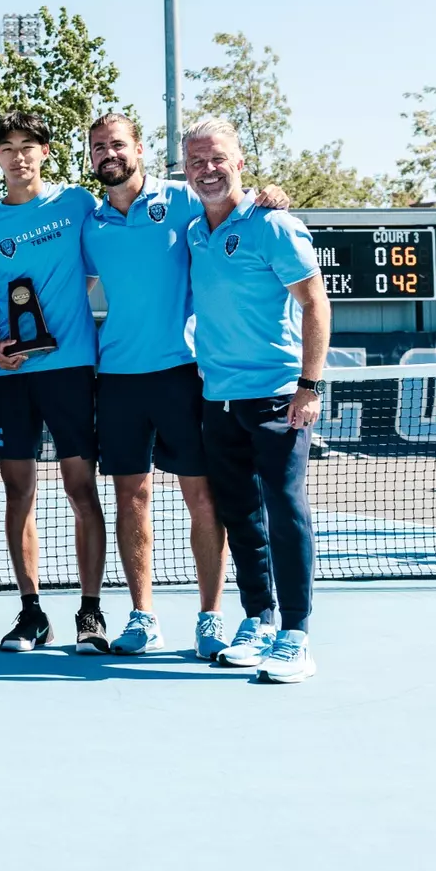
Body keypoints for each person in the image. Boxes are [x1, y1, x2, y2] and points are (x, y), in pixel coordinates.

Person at [82, 113, 290, 657]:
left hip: (183, 375)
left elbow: (235, 204)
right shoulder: (90, 221)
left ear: (140, 149)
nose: (110, 154)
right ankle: (143, 617)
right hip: (118, 377)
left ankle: (210, 618)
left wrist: (270, 191)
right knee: (132, 497)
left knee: (203, 497)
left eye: (118, 144)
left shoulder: (183, 199)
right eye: (99, 146)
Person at [184, 117, 330, 683]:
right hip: (217, 399)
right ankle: (259, 620)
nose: (208, 169)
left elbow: (315, 303)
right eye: (196, 161)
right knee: (240, 514)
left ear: (239, 161)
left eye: (217, 158)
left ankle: (295, 634)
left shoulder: (275, 225)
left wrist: (309, 385)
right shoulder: (194, 228)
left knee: (285, 510)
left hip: (277, 397)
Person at [0, 111, 108, 654]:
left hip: (71, 373)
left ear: (45, 152)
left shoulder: (75, 205)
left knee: (80, 491)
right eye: (7, 148)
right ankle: (31, 612)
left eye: (29, 145)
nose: (18, 156)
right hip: (13, 380)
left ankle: (90, 613)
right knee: (18, 494)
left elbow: (102, 255)